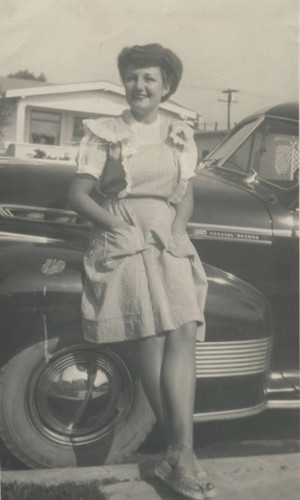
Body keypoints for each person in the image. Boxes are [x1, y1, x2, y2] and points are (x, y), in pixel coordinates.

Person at [68, 43, 216, 500]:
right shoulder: (104, 133)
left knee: (185, 329)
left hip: (167, 236)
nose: (140, 86)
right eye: (132, 77)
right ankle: (180, 452)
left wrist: (177, 227)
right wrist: (117, 225)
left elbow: (185, 193)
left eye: (149, 78)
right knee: (151, 334)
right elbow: (78, 194)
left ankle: (180, 451)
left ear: (166, 86)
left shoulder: (179, 133)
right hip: (123, 236)